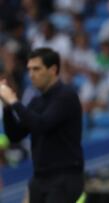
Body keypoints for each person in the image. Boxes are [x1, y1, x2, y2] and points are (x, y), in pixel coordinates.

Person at [0, 48, 84, 203]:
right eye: (29, 69)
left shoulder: (66, 95)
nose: (31, 74)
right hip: (40, 177)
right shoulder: (36, 102)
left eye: (36, 69)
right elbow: (15, 135)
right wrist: (7, 107)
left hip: (64, 177)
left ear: (53, 70)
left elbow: (42, 125)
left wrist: (14, 101)